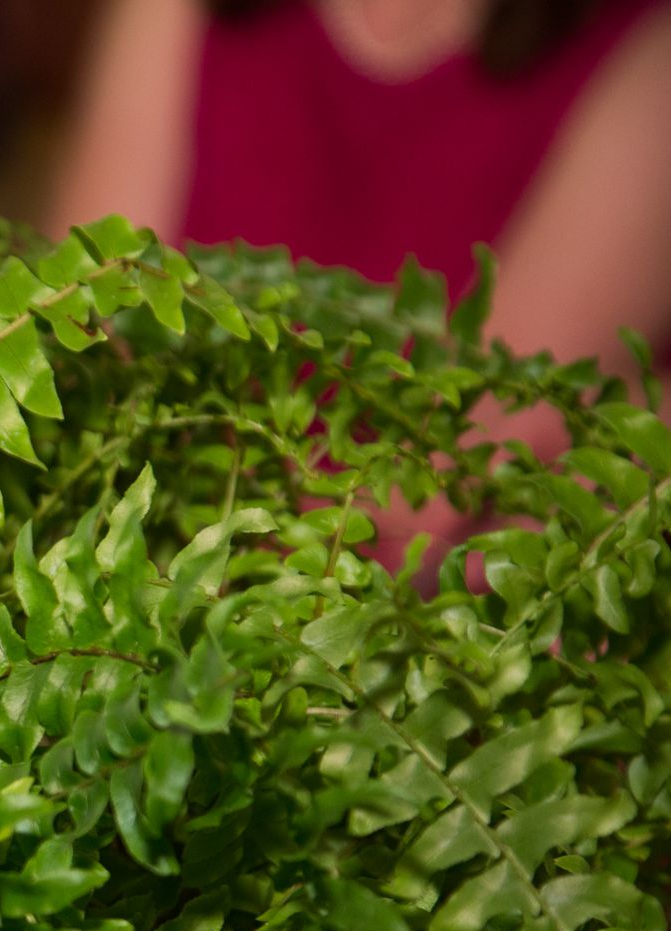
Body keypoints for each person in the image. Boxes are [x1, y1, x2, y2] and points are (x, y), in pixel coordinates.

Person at [47, 0, 671, 565]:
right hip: (156, 591)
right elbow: (81, 336)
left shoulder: (645, 54)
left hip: (413, 645)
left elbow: (458, 474)